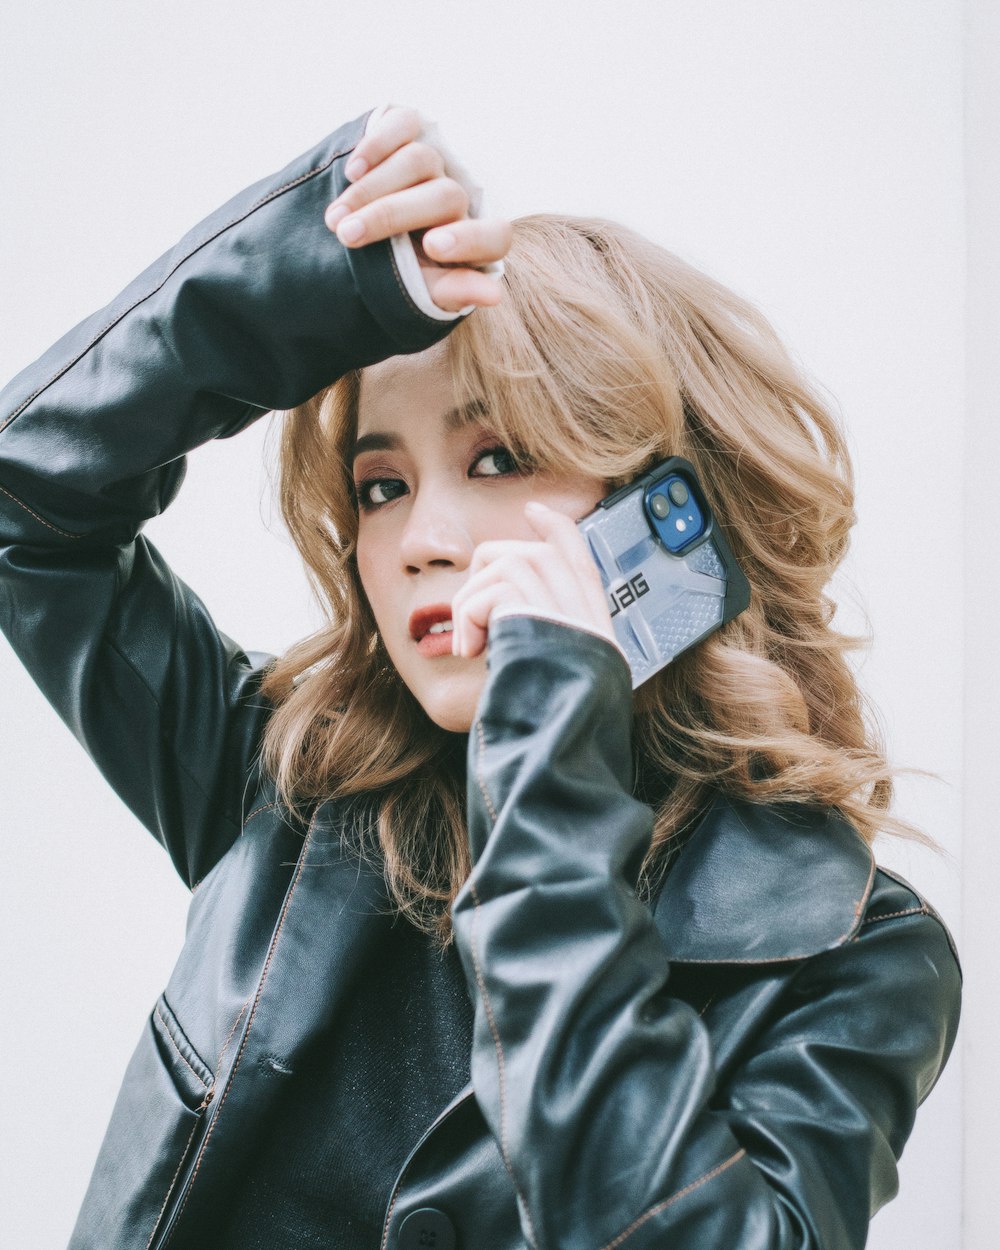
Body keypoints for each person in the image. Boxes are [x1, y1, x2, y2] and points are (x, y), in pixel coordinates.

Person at [0, 104, 960, 1250]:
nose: (419, 538)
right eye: (379, 483)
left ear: (677, 508)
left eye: (497, 455)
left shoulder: (852, 952)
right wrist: (309, 275)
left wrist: (551, 754)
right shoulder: (281, 785)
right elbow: (29, 504)